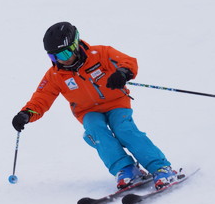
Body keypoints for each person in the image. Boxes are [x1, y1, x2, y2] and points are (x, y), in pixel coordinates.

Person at [12, 22, 177, 190]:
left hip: (116, 103)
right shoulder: (55, 75)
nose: (62, 59)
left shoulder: (100, 54)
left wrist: (122, 73)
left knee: (123, 129)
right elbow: (42, 97)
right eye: (54, 57)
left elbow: (127, 61)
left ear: (75, 45)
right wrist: (26, 114)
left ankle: (160, 167)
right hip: (87, 111)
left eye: (65, 52)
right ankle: (125, 169)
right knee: (95, 130)